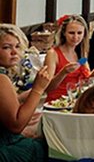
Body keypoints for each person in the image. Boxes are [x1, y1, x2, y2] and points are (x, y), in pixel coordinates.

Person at [0, 25, 51, 161]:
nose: (14, 52)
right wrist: (37, 89)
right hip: (5, 148)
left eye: (17, 46)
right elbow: (17, 125)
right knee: (51, 146)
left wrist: (21, 98)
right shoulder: (1, 78)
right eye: (6, 47)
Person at [44, 15, 94, 102]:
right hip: (56, 102)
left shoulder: (81, 52)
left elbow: (87, 80)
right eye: (71, 33)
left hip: (76, 101)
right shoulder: (53, 54)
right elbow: (47, 87)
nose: (75, 37)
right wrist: (63, 72)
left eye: (79, 33)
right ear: (64, 33)